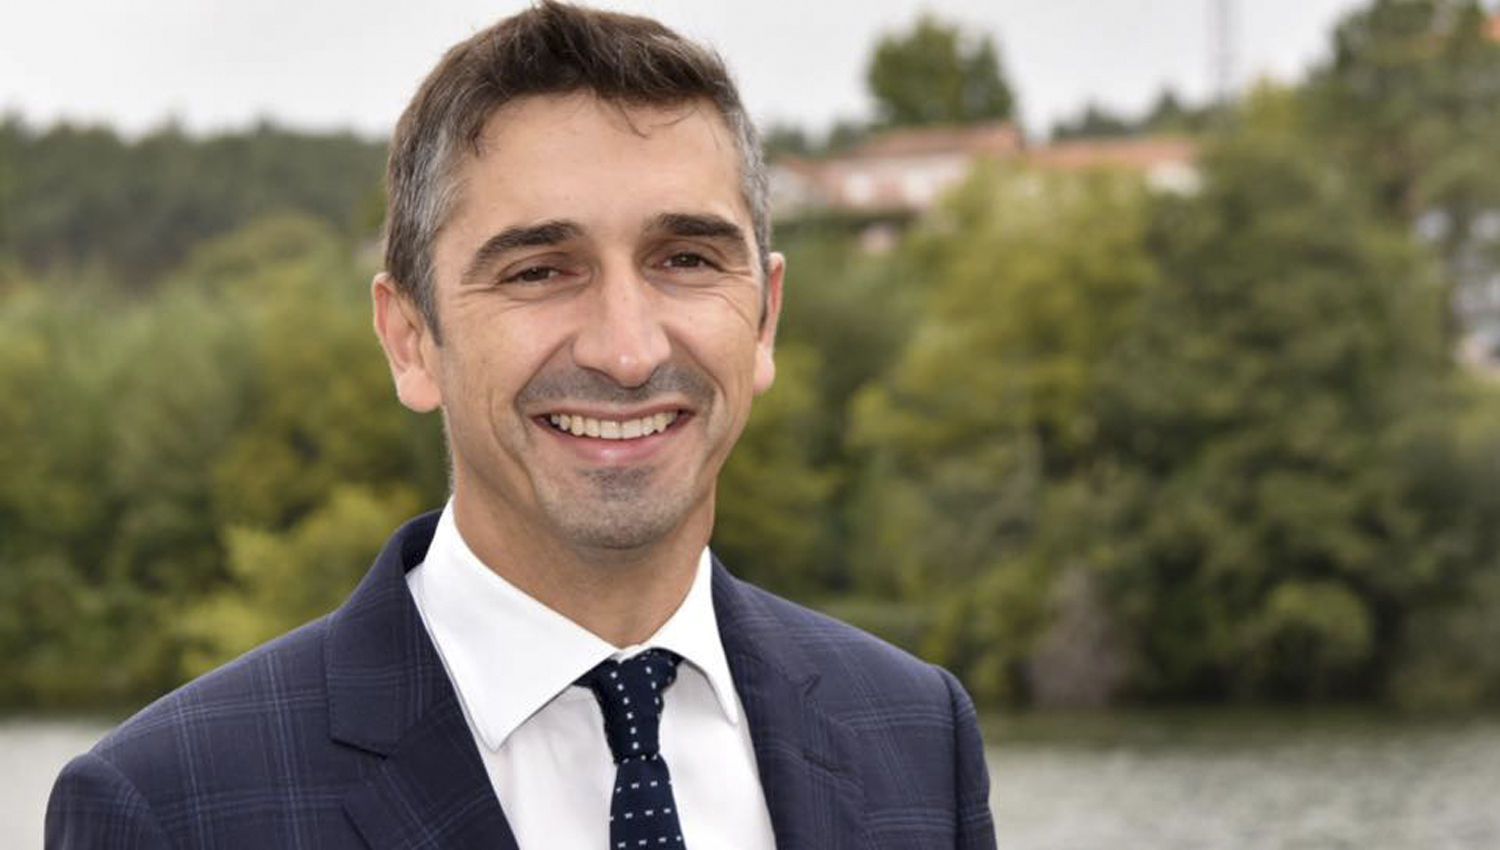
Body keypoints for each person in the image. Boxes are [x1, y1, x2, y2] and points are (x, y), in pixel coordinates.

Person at [45, 3, 996, 848]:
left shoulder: (918, 737)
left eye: (686, 260)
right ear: (410, 340)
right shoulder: (170, 809)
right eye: (539, 271)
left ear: (765, 319)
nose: (627, 351)